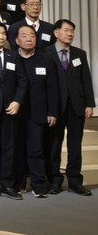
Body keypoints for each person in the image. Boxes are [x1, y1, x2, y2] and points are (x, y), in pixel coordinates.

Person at [45, 19, 94, 196]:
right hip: (55, 106)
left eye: (72, 30)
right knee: (54, 144)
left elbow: (86, 80)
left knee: (75, 144)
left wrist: (89, 103)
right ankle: (55, 180)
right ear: (56, 33)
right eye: (66, 30)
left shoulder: (80, 53)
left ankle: (75, 181)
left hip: (76, 105)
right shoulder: (46, 53)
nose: (70, 33)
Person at [0, 21, 27, 200]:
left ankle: (8, 184)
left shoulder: (13, 56)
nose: (1, 37)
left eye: (3, 33)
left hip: (10, 109)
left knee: (9, 147)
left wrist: (17, 101)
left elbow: (23, 81)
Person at [16, 25, 58, 198]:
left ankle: (38, 183)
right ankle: (17, 182)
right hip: (14, 113)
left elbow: (52, 88)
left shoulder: (45, 59)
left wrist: (53, 112)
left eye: (32, 35)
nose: (28, 38)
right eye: (24, 35)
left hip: (38, 112)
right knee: (16, 148)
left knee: (36, 148)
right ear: (17, 40)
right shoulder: (11, 58)